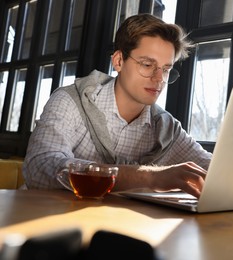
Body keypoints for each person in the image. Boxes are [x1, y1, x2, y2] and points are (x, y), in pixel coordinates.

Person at [22, 13, 212, 198]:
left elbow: (214, 168)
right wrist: (149, 177)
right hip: (40, 218)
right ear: (119, 61)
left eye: (166, 69)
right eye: (147, 65)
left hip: (112, 225)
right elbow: (39, 168)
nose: (159, 79)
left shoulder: (166, 128)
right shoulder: (70, 101)